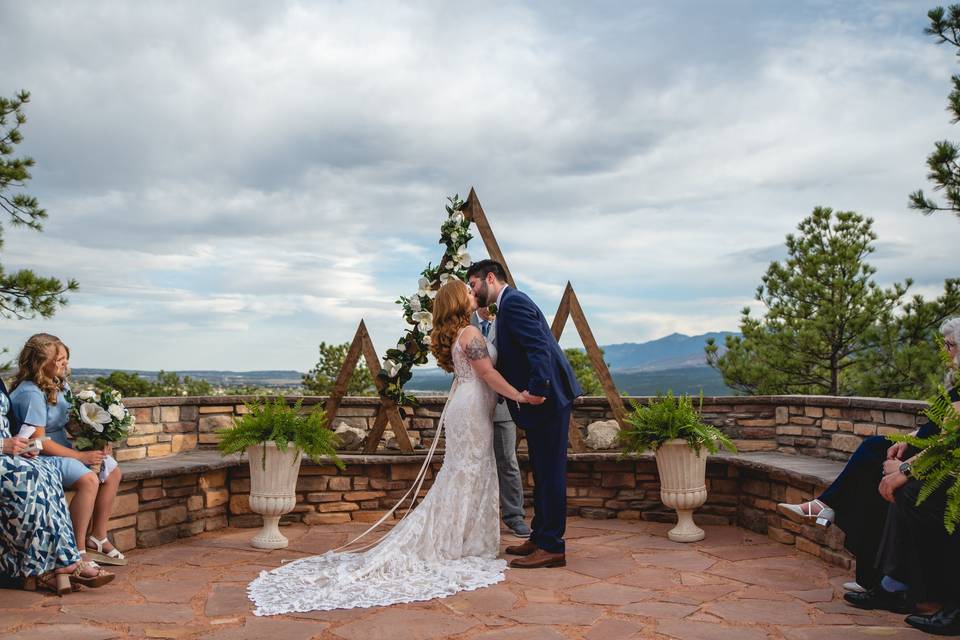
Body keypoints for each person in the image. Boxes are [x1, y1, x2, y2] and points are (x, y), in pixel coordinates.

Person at [248, 280, 530, 615]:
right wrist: (519, 395)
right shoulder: (469, 334)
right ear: (457, 301)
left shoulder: (461, 332)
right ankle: (455, 544)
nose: (473, 294)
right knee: (466, 473)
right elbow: (486, 373)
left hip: (468, 406)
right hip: (471, 410)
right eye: (467, 292)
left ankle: (461, 541)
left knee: (466, 473)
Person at [777, 317, 960, 606]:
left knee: (878, 473)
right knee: (875, 450)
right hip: (926, 454)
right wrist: (909, 439)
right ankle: (869, 571)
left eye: (951, 345)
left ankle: (834, 516)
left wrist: (904, 470)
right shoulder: (957, 386)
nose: (947, 351)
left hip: (941, 469)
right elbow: (935, 428)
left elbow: (949, 442)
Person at [466, 259, 583, 569]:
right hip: (540, 401)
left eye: (473, 284)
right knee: (542, 472)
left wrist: (539, 390)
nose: (472, 291)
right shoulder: (508, 305)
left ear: (490, 278)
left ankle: (552, 546)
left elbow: (538, 348)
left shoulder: (514, 302)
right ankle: (540, 536)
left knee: (550, 473)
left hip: (547, 399)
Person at [9, 333, 127, 567]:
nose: (65, 364)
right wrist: (81, 456)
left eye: (66, 358)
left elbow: (69, 422)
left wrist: (98, 437)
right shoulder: (31, 392)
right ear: (42, 363)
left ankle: (98, 537)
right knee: (88, 480)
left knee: (112, 471)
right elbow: (39, 441)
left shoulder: (59, 385)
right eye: (60, 359)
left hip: (61, 447)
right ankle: (77, 550)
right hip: (38, 455)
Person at [0, 375, 114, 594]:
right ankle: (52, 566)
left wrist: (24, 445)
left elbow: (11, 425)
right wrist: (3, 445)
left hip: (8, 453)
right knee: (27, 476)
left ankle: (63, 561)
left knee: (47, 471)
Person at [472, 304, 531, 538]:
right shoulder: (463, 322)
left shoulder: (506, 321)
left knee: (507, 460)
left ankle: (514, 516)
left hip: (502, 403)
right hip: (473, 403)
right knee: (473, 460)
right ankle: (474, 517)